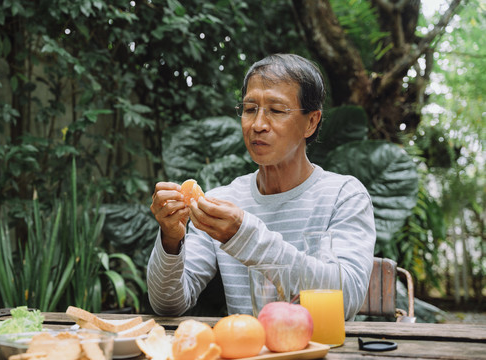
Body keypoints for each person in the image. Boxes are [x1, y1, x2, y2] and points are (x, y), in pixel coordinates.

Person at [147, 53, 375, 320]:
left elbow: (343, 301)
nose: (257, 125)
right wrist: (171, 239)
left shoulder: (344, 196)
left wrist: (245, 236)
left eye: (277, 111)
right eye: (249, 109)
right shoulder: (222, 200)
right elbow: (168, 305)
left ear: (311, 122)